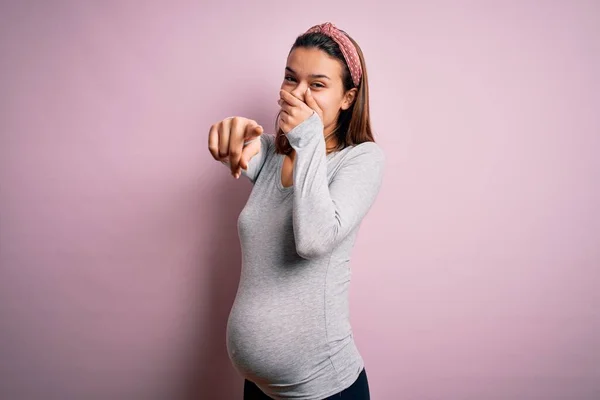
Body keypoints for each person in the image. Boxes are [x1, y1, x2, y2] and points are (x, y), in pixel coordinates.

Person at [208, 22, 384, 400]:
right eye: (291, 79)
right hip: (260, 389)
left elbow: (314, 240)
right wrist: (228, 131)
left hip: (326, 391)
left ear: (348, 98)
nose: (298, 94)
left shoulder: (362, 159)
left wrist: (307, 137)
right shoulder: (274, 153)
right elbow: (238, 147)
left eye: (317, 85)